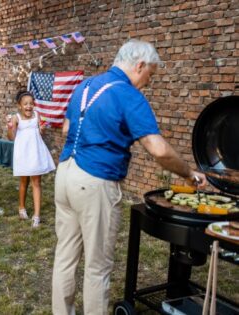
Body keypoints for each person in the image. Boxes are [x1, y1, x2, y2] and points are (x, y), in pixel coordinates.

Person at [51, 39, 208, 315]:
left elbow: (66, 129)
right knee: (97, 267)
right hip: (94, 181)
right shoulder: (128, 94)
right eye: (150, 75)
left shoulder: (85, 86)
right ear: (140, 65)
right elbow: (158, 149)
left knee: (65, 256)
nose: (149, 82)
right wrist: (189, 173)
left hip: (65, 173)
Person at [7, 91, 56, 228]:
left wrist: (42, 128)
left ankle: (37, 215)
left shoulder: (37, 115)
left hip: (35, 152)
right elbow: (11, 137)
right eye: (25, 104)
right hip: (23, 152)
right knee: (24, 181)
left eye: (31, 103)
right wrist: (10, 127)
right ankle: (21, 208)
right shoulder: (16, 118)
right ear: (19, 106)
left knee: (36, 182)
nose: (29, 106)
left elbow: (40, 132)